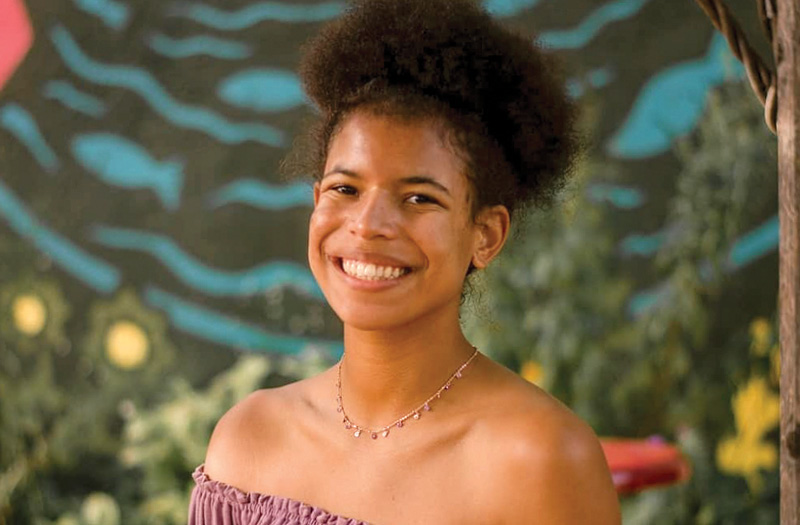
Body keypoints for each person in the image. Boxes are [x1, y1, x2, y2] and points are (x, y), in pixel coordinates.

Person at [189, 0, 621, 523]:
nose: (368, 225)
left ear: (485, 235)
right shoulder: (247, 442)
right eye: (345, 188)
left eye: (419, 198)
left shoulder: (541, 461)